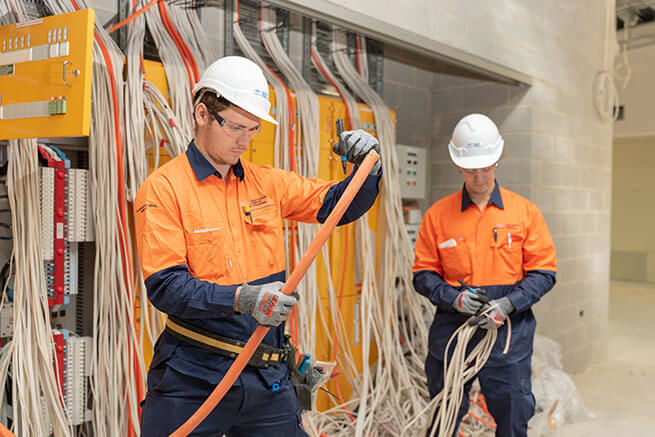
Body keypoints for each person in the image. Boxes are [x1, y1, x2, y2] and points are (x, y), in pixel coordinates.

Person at [134, 56, 382, 436]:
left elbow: (337, 205)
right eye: (235, 127)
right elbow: (167, 288)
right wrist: (243, 299)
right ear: (201, 113)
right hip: (193, 377)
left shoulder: (265, 182)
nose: (245, 140)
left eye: (252, 129)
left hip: (267, 377)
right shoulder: (165, 189)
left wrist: (368, 166)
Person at [412, 113, 557, 436]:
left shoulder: (524, 213)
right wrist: (455, 298)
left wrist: (507, 304)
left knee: (512, 415)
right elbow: (423, 274)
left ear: (498, 159)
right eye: (470, 169)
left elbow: (543, 272)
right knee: (444, 413)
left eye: (485, 167)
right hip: (453, 329)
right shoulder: (438, 215)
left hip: (508, 334)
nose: (478, 176)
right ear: (458, 165)